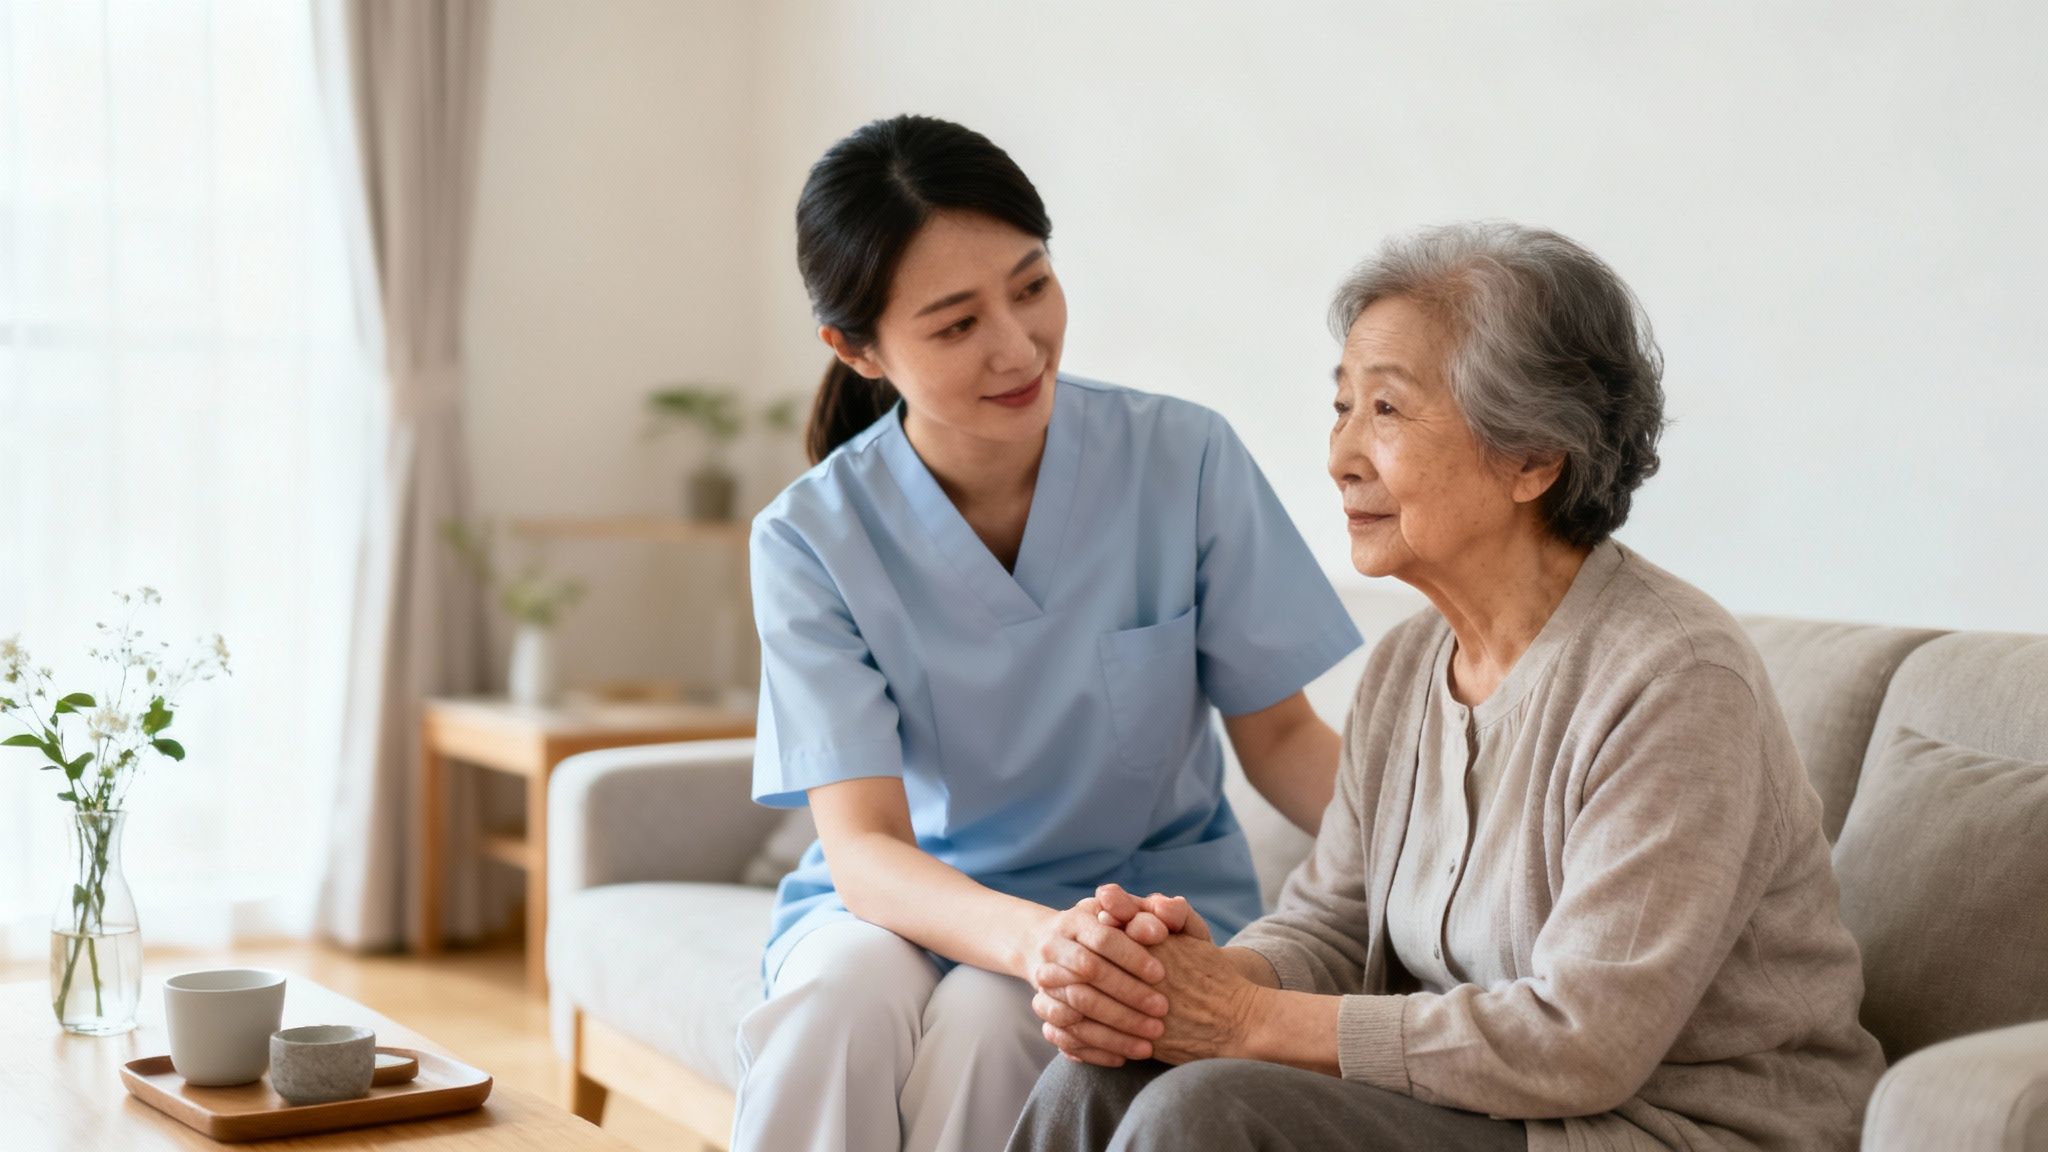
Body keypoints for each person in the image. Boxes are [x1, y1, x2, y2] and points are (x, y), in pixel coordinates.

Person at [1012, 222, 1887, 1152]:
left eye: (1386, 411)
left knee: (1207, 1111)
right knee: (1101, 1072)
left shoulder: (1675, 682)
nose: (1342, 454)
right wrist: (1194, 985)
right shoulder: (1404, 669)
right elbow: (1336, 925)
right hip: (1475, 1111)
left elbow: (1583, 1042)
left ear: (1532, 460)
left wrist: (1238, 1023)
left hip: (1660, 1129)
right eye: (1341, 406)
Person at [729, 114, 1364, 1152]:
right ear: (856, 348)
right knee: (833, 1000)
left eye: (1029, 286)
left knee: (995, 1021)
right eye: (953, 324)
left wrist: (1457, 850)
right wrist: (1039, 942)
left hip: (1141, 910)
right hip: (907, 901)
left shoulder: (1183, 460)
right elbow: (865, 845)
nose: (1017, 346)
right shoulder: (809, 538)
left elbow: (1284, 742)